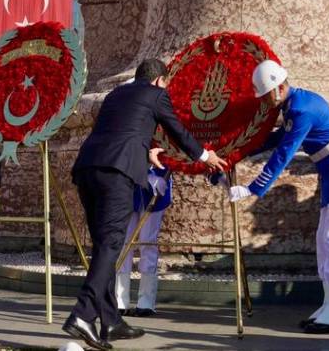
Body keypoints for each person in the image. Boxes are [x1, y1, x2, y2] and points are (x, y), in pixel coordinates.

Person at [64, 58, 227, 351]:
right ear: (159, 80)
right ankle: (83, 315)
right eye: (165, 84)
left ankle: (111, 321)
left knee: (104, 246)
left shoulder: (116, 94)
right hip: (117, 174)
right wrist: (205, 157)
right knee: (112, 245)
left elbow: (126, 128)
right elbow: (176, 130)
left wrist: (149, 148)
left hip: (87, 168)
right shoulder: (156, 94)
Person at [229, 60, 329, 334]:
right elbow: (276, 139)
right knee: (326, 243)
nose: (263, 102)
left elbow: (283, 154)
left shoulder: (301, 109)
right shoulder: (294, 104)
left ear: (278, 88)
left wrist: (253, 188)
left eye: (265, 95)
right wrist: (239, 152)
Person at [115, 165, 171, 318]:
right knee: (125, 243)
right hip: (130, 188)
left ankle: (146, 302)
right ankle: (119, 300)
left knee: (148, 243)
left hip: (157, 187)